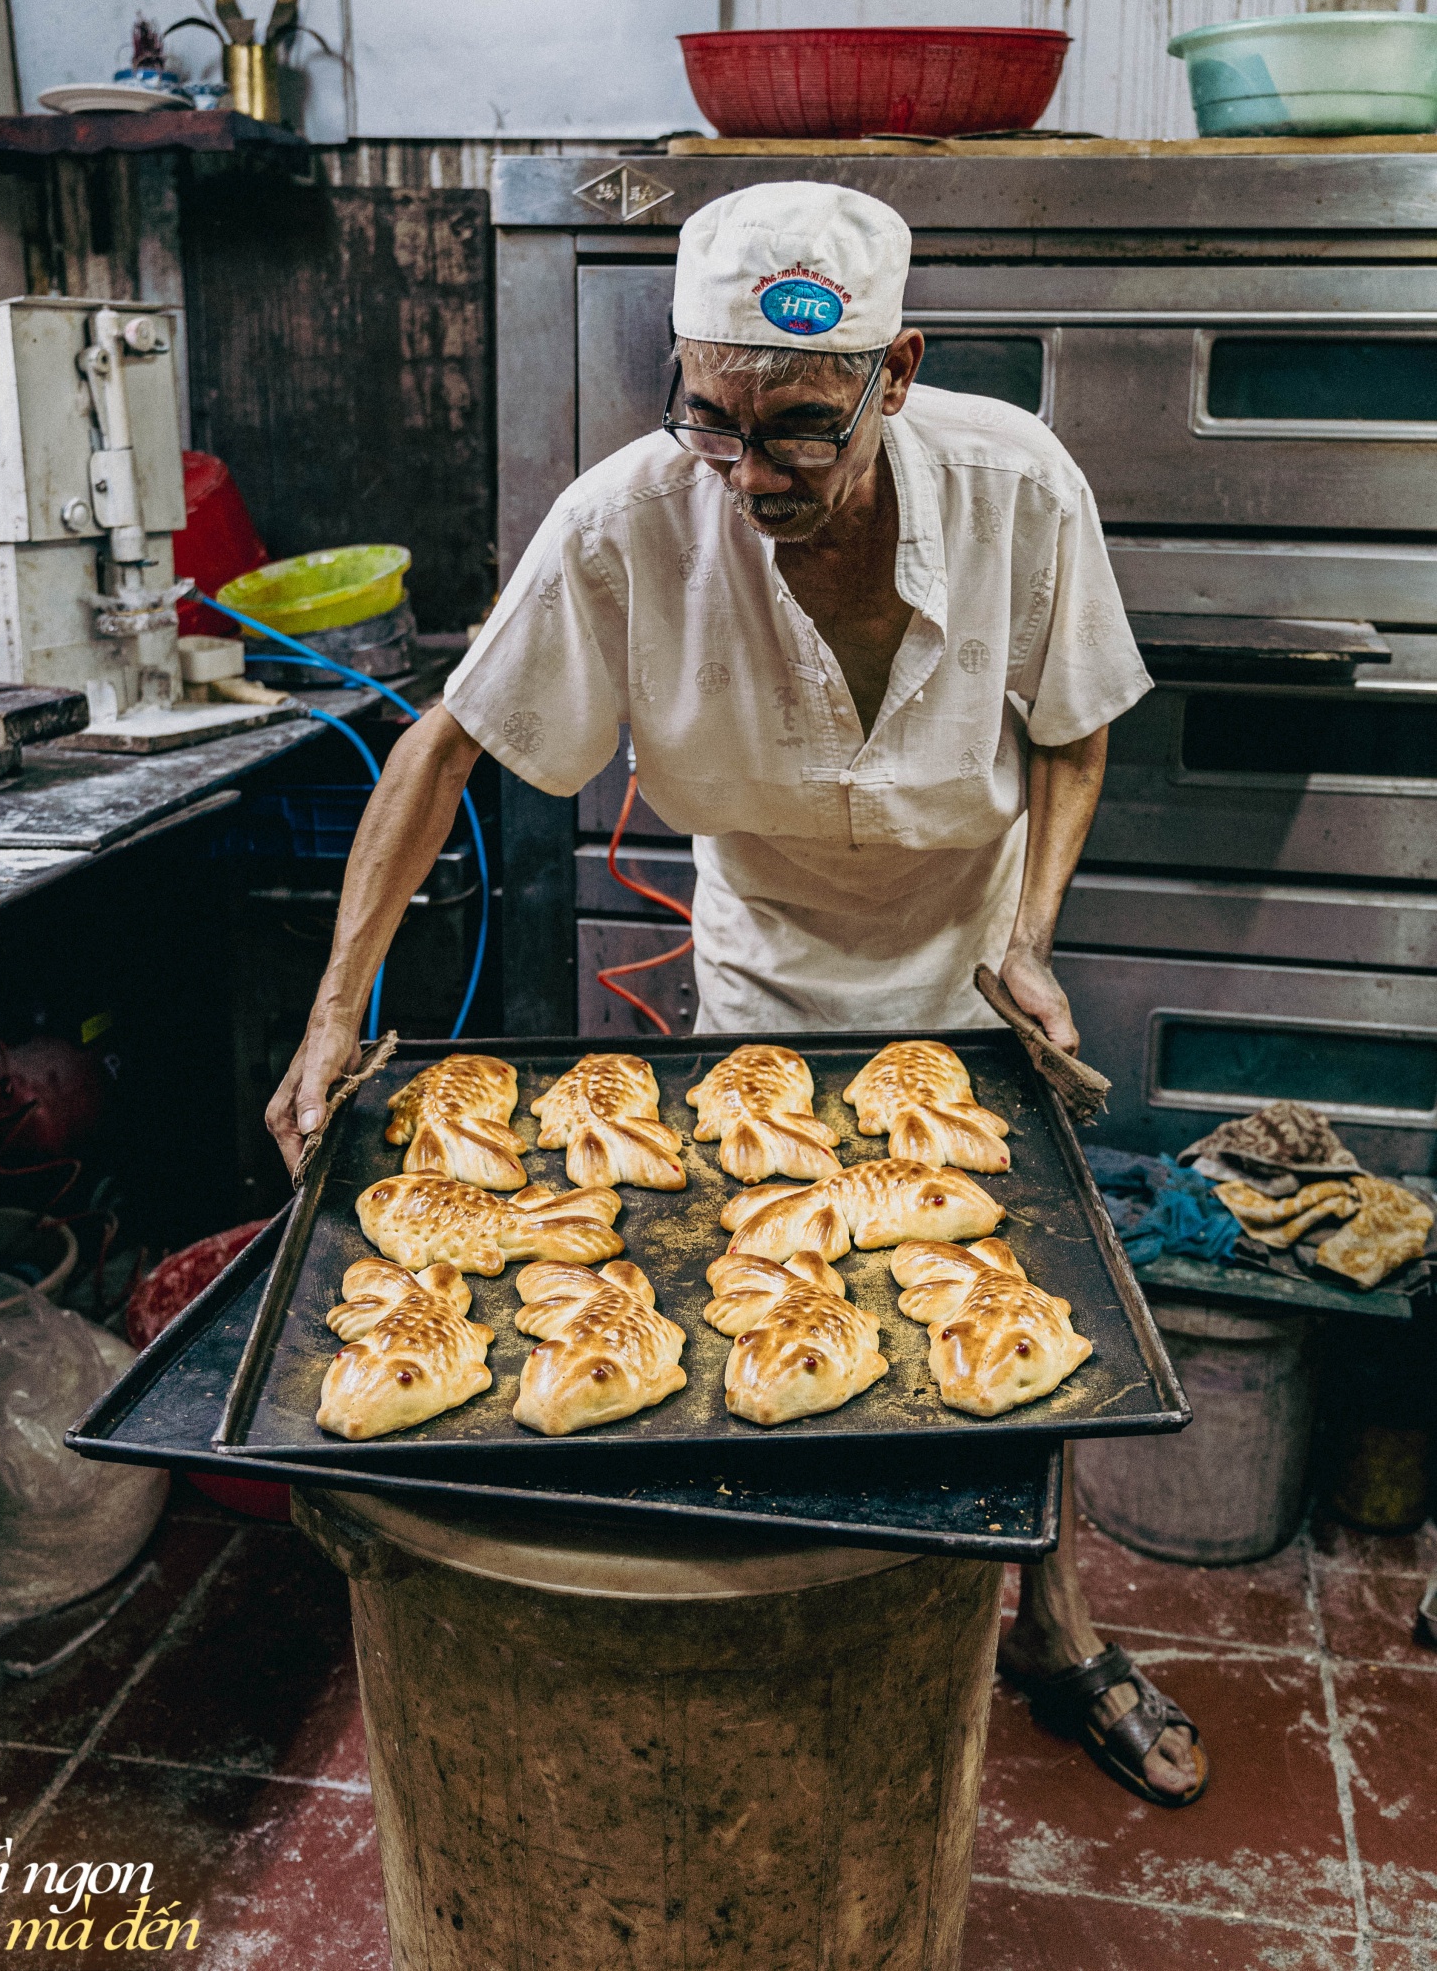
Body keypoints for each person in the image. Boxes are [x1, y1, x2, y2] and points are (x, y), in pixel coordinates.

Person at [269, 180, 1207, 1805]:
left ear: (895, 373)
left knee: (1010, 1303)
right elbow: (446, 747)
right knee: (766, 1311)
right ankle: (797, 1635)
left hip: (968, 958)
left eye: (797, 434)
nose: (749, 474)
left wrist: (1036, 935)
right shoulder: (631, 519)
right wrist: (334, 1006)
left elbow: (1072, 721)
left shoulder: (1015, 489)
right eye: (712, 421)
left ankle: (1049, 1629)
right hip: (763, 970)